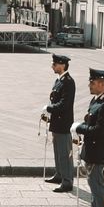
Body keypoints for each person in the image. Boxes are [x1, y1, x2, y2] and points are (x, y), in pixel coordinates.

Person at [71, 68, 104, 207]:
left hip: (98, 151)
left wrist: (80, 128)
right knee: (92, 184)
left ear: (102, 84)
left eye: (92, 82)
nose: (89, 84)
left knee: (98, 187)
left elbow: (98, 130)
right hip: (90, 150)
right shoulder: (96, 100)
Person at [43, 54, 75, 192]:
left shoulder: (68, 82)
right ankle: (59, 174)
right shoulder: (59, 80)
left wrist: (50, 108)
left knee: (64, 153)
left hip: (63, 123)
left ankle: (67, 181)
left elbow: (64, 104)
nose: (52, 66)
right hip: (57, 122)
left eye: (55, 64)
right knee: (57, 151)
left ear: (62, 65)